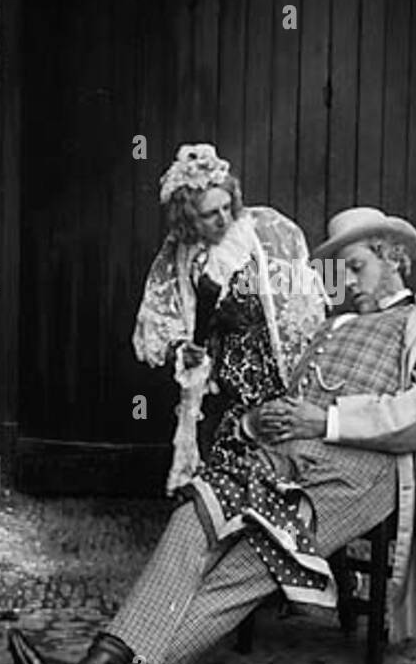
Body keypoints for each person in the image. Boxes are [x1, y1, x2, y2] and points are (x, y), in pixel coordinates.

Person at [5, 207, 416, 664]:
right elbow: (288, 402)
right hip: (285, 457)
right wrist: (257, 420)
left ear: (393, 259)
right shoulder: (333, 327)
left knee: (248, 561)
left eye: (356, 265)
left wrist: (326, 419)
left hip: (364, 474)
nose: (347, 281)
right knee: (192, 518)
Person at [131, 143, 327, 489]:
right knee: (223, 469)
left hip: (274, 368)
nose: (224, 218)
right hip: (223, 379)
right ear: (190, 218)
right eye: (211, 214)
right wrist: (182, 348)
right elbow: (163, 317)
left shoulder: (265, 232)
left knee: (279, 463)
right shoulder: (179, 255)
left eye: (226, 207)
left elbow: (306, 300)